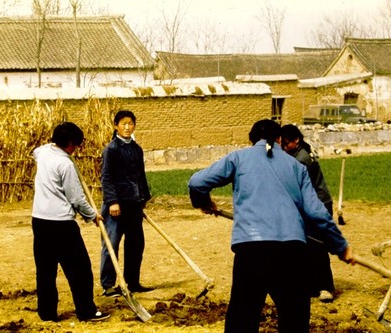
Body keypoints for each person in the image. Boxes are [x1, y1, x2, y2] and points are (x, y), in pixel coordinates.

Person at [188, 119, 354, 333]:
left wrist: (203, 202)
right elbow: (316, 211)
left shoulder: (239, 158)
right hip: (292, 250)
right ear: (279, 139)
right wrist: (340, 246)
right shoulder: (296, 166)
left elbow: (196, 183)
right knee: (295, 319)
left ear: (252, 140)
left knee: (243, 318)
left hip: (252, 250)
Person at [31, 122, 109, 323]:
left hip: (39, 220)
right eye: (76, 144)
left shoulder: (44, 152)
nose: (76, 149)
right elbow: (76, 198)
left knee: (45, 270)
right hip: (61, 224)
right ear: (70, 143)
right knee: (80, 269)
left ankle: (47, 313)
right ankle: (87, 311)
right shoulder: (65, 164)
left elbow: (35, 151)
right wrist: (93, 215)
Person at [280, 124, 336, 303]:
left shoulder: (301, 159)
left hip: (317, 206)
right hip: (310, 205)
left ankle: (325, 287)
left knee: (317, 245)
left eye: (286, 143)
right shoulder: (298, 154)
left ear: (296, 140)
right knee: (305, 246)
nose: (283, 147)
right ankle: (311, 285)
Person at [100, 110, 153, 297]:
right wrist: (112, 202)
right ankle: (108, 286)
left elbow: (140, 175)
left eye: (130, 123)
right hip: (116, 206)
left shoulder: (136, 149)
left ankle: (132, 282)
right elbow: (106, 178)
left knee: (136, 243)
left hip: (133, 204)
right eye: (123, 123)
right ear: (116, 126)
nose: (127, 127)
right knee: (111, 244)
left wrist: (144, 197)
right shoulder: (111, 149)